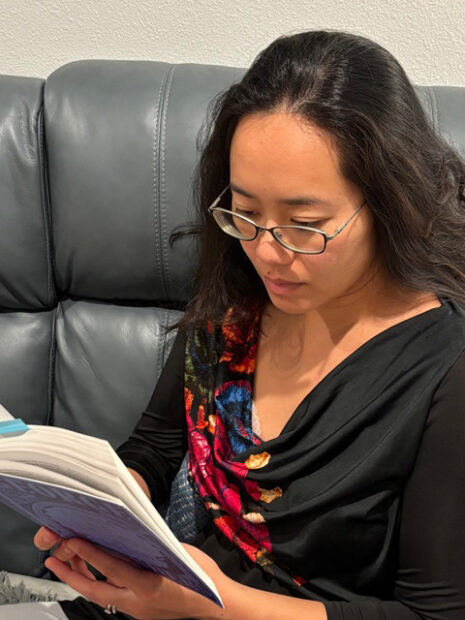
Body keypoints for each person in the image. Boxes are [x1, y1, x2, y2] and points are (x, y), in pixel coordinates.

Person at [34, 29, 465, 619]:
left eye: (303, 223)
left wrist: (210, 606)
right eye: (246, 212)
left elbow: (434, 615)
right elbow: (156, 448)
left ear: (391, 203)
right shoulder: (238, 301)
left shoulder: (445, 370)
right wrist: (110, 510)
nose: (265, 252)